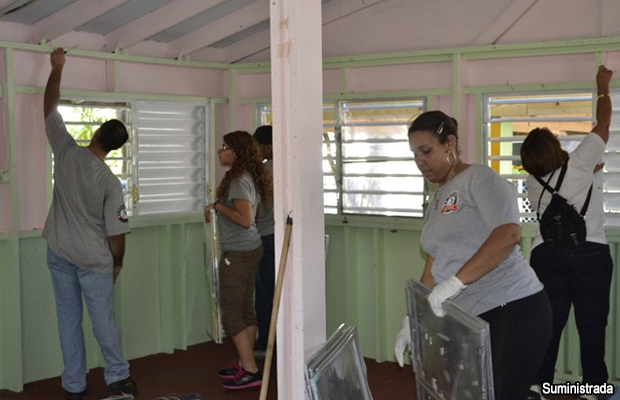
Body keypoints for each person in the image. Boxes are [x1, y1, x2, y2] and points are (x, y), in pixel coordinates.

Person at [394, 110, 552, 400]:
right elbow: (433, 263)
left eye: (426, 151)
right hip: (474, 318)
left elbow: (508, 234)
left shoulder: (480, 179)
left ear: (450, 143)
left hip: (514, 308)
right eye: (415, 154)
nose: (420, 161)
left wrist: (456, 282)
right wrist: (413, 320)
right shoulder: (437, 197)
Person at [43, 48, 137, 400]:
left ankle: (74, 385)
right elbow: (116, 233)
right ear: (115, 149)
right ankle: (117, 378)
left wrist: (57, 68)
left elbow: (49, 107)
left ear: (96, 133)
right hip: (95, 262)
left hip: (60, 253)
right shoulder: (110, 183)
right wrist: (117, 263)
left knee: (68, 321)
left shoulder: (65, 152)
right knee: (103, 321)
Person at [521, 66, 613, 400]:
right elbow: (603, 123)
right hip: (591, 253)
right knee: (592, 325)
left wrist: (590, 172)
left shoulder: (533, 183)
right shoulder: (579, 162)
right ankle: (592, 390)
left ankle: (537, 385)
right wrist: (602, 88)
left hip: (546, 258)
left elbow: (560, 191)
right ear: (554, 146)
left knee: (549, 323)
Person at [203, 130, 272, 390]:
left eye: (225, 147)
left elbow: (245, 219)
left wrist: (218, 207)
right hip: (249, 249)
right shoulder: (244, 176)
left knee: (232, 313)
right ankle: (247, 363)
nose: (220, 151)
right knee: (244, 309)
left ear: (237, 152)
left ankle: (251, 370)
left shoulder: (240, 181)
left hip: (240, 253)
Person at [252, 125, 275, 358]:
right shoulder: (290, 167)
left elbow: (256, 208)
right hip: (285, 236)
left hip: (267, 236)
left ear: (268, 147)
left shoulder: (264, 171)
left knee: (265, 291)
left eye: (257, 146)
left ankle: (265, 343)